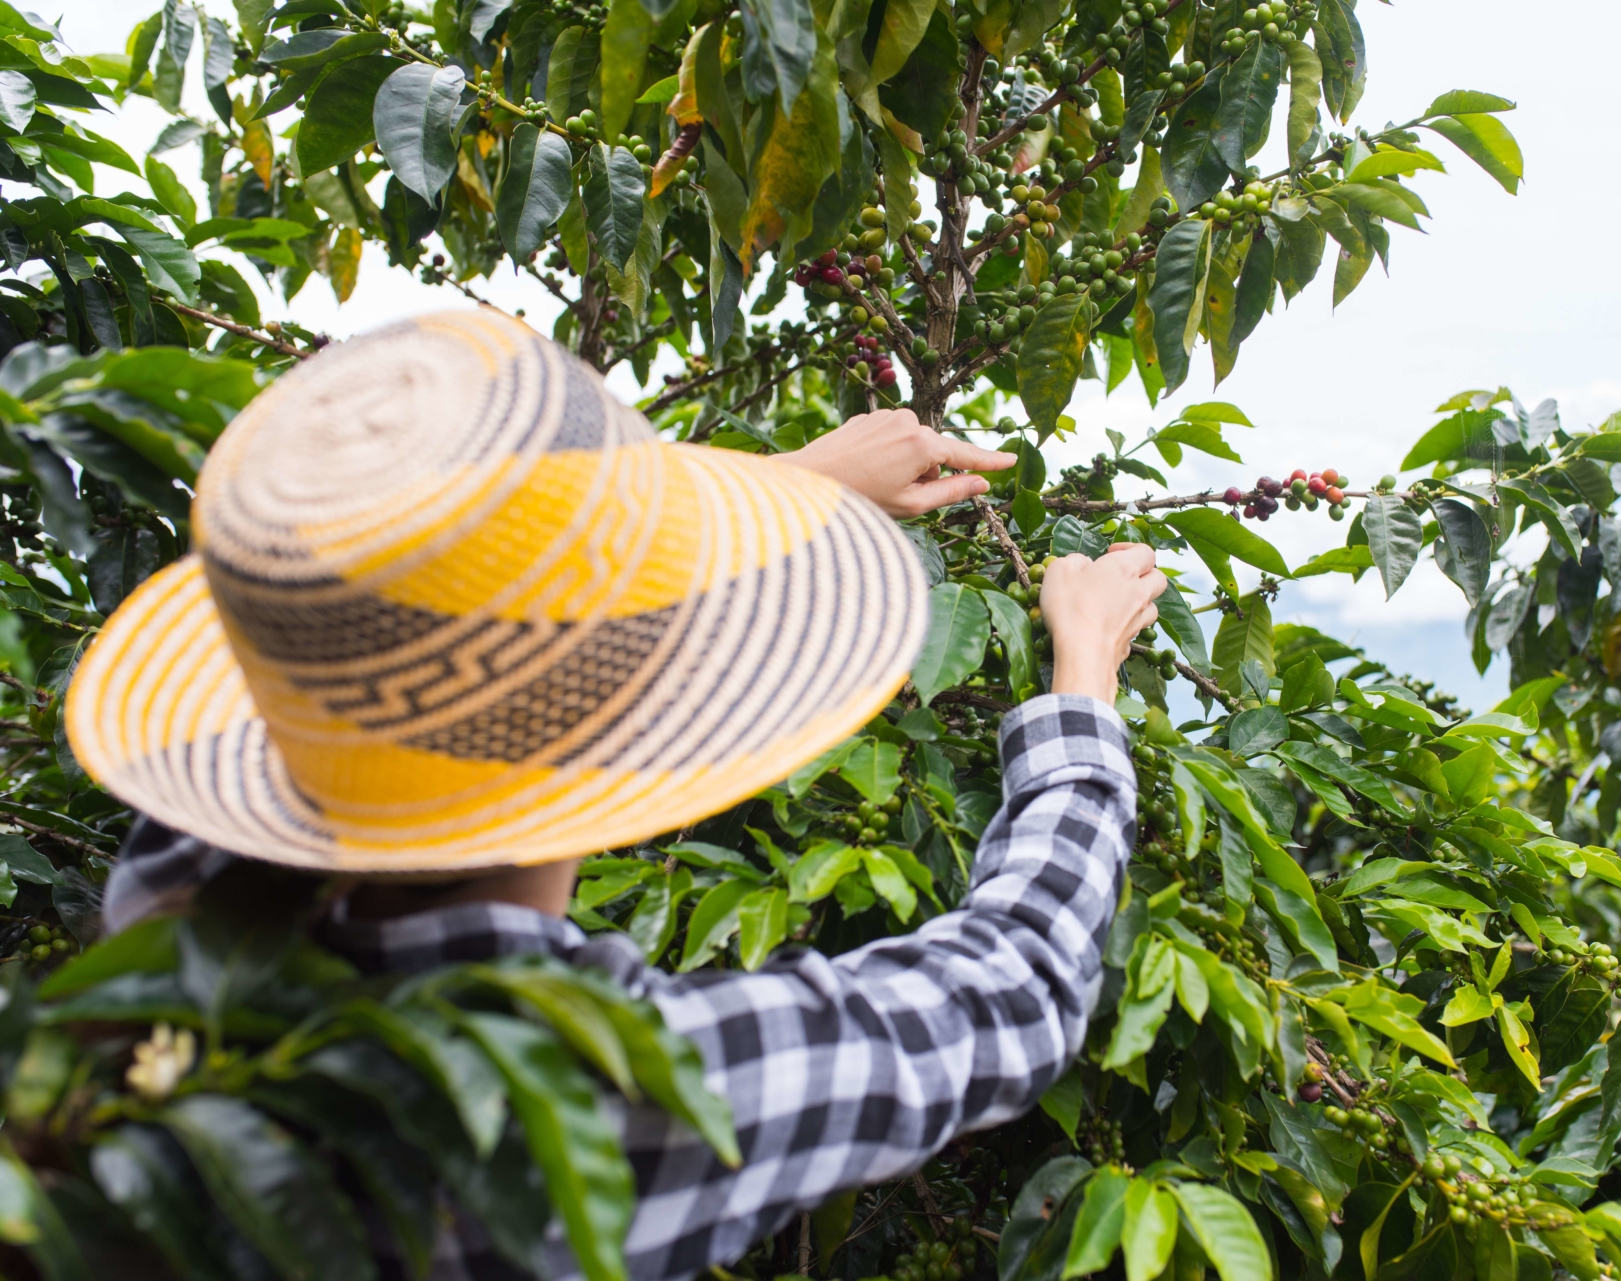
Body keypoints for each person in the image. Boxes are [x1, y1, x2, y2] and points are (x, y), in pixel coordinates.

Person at [70, 310, 1166, 1281]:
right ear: (629, 733)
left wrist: (785, 484)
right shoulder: (588, 1102)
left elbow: (393, 598)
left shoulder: (165, 922)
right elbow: (1006, 993)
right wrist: (1084, 680)